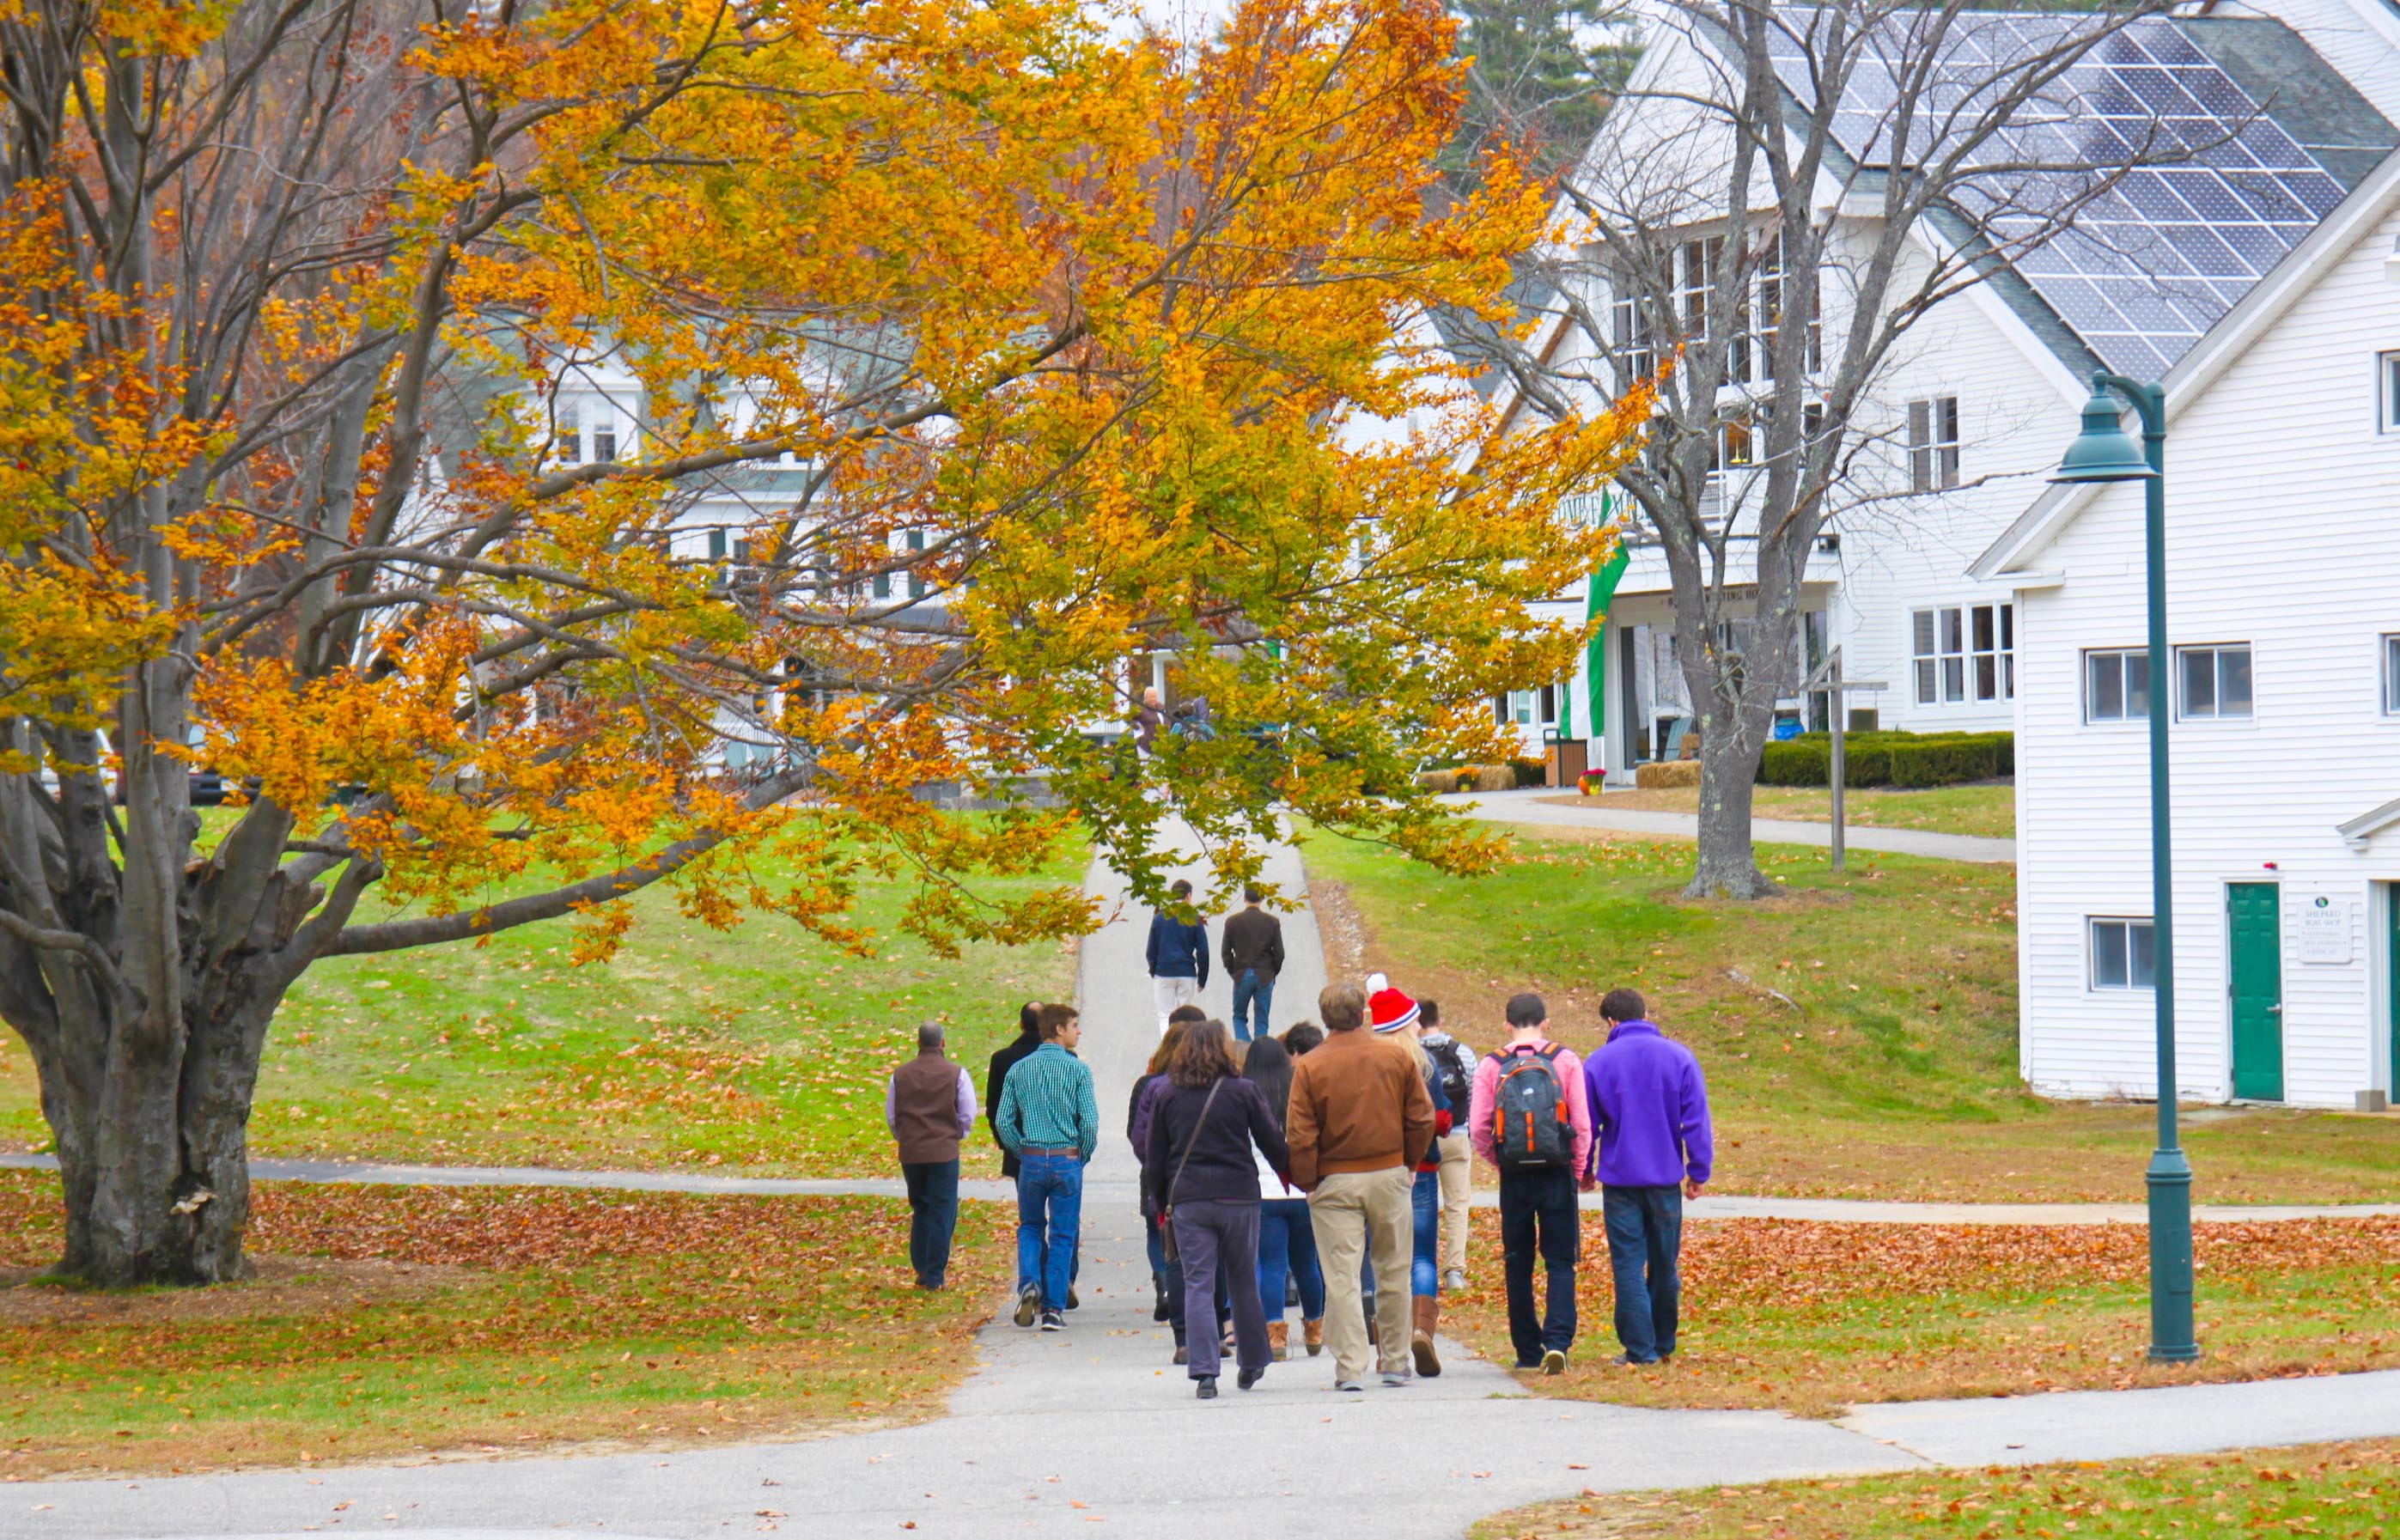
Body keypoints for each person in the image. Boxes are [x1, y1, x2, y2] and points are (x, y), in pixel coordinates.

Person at [1285, 982, 1433, 1392]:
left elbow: (1300, 1133)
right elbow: (1421, 1116)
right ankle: (1395, 1359)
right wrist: (1409, 1161)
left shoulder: (1311, 1066)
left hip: (1334, 1179)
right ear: (1364, 1013)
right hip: (1388, 1173)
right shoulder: (1394, 1057)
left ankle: (1350, 1366)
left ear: (1324, 1017)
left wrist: (1308, 1180)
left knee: (1342, 1276)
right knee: (1394, 1268)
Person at [1147, 1020, 1291, 1398]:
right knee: (1243, 1279)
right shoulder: (1243, 1091)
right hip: (1239, 1197)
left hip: (1190, 1200)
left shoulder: (1167, 1095)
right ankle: (1253, 1360)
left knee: (1198, 1282)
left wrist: (1161, 1205)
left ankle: (1205, 1370)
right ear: (1223, 1049)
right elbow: (1272, 1141)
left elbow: (1155, 1159)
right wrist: (1294, 1174)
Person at [1583, 987, 1713, 1367]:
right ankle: (1664, 1341)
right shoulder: (1679, 1057)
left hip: (1621, 1180)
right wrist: (1698, 1171)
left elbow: (1588, 1125)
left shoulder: (1599, 1062)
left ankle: (1640, 1350)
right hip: (1665, 1179)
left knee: (1627, 1265)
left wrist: (1585, 1169)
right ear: (1645, 1013)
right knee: (1664, 1264)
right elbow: (1696, 1120)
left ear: (1611, 1021)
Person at [1470, 991, 1594, 1375]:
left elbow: (1478, 1129)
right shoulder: (1566, 1059)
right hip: (1556, 1170)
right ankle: (1558, 1342)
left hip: (1515, 1174)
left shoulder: (1492, 1065)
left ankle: (1527, 1349)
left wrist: (1500, 1162)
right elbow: (1583, 1126)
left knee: (1517, 1261)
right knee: (1560, 1261)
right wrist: (1576, 1171)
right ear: (1546, 1022)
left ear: (1507, 1024)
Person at [994, 1002, 1099, 1332]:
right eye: (1074, 1025)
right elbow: (1091, 1124)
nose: (1078, 1031)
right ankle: (1053, 1308)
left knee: (1030, 1227)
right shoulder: (1078, 1070)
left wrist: (1020, 1149)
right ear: (1058, 1030)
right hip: (1067, 1157)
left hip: (1033, 1157)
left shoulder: (1019, 1069)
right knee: (1064, 1233)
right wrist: (1081, 1155)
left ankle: (1029, 1284)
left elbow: (1002, 1120)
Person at [1367, 981, 1452, 1379]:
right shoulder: (1425, 1065)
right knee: (1421, 1256)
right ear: (1404, 1026)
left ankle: (1389, 1347)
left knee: (1386, 1259)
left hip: (1379, 1169)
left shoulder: (1367, 1064)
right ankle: (1422, 1328)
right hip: (1423, 1169)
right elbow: (1443, 1119)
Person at [1130, 1006, 1215, 1348]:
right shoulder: (1209, 1083)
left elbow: (1135, 1132)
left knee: (1158, 1230)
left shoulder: (1148, 1083)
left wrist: (1154, 1162)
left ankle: (1164, 1282)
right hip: (1195, 1174)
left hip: (1157, 1170)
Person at [1241, 1035, 1324, 1360]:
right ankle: (1315, 1327)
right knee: (1307, 1263)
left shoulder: (1246, 1095)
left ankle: (1275, 1334)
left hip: (1263, 1191)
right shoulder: (1299, 1090)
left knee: (1272, 1264)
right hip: (1301, 1189)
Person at [884, 1021, 977, 1291]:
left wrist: (905, 1136)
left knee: (921, 1207)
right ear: (943, 1043)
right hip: (944, 1151)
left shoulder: (900, 1075)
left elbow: (892, 1116)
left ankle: (922, 1269)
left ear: (918, 1043)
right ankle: (935, 1273)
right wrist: (956, 1134)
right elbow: (968, 1112)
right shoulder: (956, 1074)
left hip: (912, 1151)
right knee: (943, 1209)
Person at [1417, 999, 1477, 1292]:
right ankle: (1455, 1269)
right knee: (1457, 1205)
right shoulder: (1462, 1052)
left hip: (1421, 1139)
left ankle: (1420, 1264)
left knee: (1419, 1204)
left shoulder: (1412, 1055)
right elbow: (1475, 1095)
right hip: (1457, 1134)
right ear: (1439, 1021)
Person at [1220, 886, 1285, 1044]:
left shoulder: (1232, 922)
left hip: (1242, 973)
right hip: (1265, 974)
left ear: (1244, 899)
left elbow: (1226, 952)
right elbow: (1279, 953)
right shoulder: (1272, 922)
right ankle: (1259, 1050)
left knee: (1239, 1016)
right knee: (1262, 1019)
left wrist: (1233, 971)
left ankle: (1244, 1049)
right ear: (1262, 900)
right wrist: (1273, 972)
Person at [1145, 880, 1209, 1034]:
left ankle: (1166, 1051)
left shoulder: (1160, 917)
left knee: (1164, 1015)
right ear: (1188, 896)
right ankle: (1184, 1050)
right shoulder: (1194, 918)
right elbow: (1203, 951)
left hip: (1164, 972)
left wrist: (1154, 970)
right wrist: (1202, 978)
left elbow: (1151, 950)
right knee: (1185, 1016)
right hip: (1186, 972)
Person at [1134, 686, 1166, 753]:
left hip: (1161, 743)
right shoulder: (1140, 709)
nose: (1153, 699)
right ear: (1145, 698)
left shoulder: (1161, 707)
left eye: (1155, 696)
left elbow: (1167, 719)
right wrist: (1138, 727)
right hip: (1145, 744)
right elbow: (1129, 719)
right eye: (1151, 697)